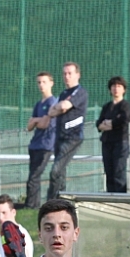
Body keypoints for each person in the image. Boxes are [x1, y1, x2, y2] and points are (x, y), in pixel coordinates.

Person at [46, 62, 88, 200]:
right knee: (60, 174)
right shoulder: (63, 93)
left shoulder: (80, 92)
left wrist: (60, 107)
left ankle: (51, 202)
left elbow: (65, 106)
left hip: (73, 137)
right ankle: (61, 203)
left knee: (55, 171)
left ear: (78, 75)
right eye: (64, 73)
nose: (67, 76)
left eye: (70, 73)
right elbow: (51, 111)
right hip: (60, 136)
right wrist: (60, 107)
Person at [25, 72, 57, 209]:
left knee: (34, 177)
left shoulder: (53, 102)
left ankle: (31, 206)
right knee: (33, 177)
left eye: (44, 82)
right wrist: (37, 120)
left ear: (51, 83)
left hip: (46, 145)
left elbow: (44, 123)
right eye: (39, 82)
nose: (41, 85)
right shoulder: (38, 104)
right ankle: (34, 205)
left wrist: (35, 120)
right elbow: (29, 127)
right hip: (35, 145)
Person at [96, 76, 130, 193]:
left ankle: (121, 199)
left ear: (124, 89)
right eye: (114, 86)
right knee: (109, 173)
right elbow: (99, 124)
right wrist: (109, 123)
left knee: (119, 173)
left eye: (119, 86)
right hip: (107, 142)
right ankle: (110, 198)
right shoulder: (106, 106)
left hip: (120, 143)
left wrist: (110, 123)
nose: (116, 89)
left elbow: (123, 120)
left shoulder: (125, 105)